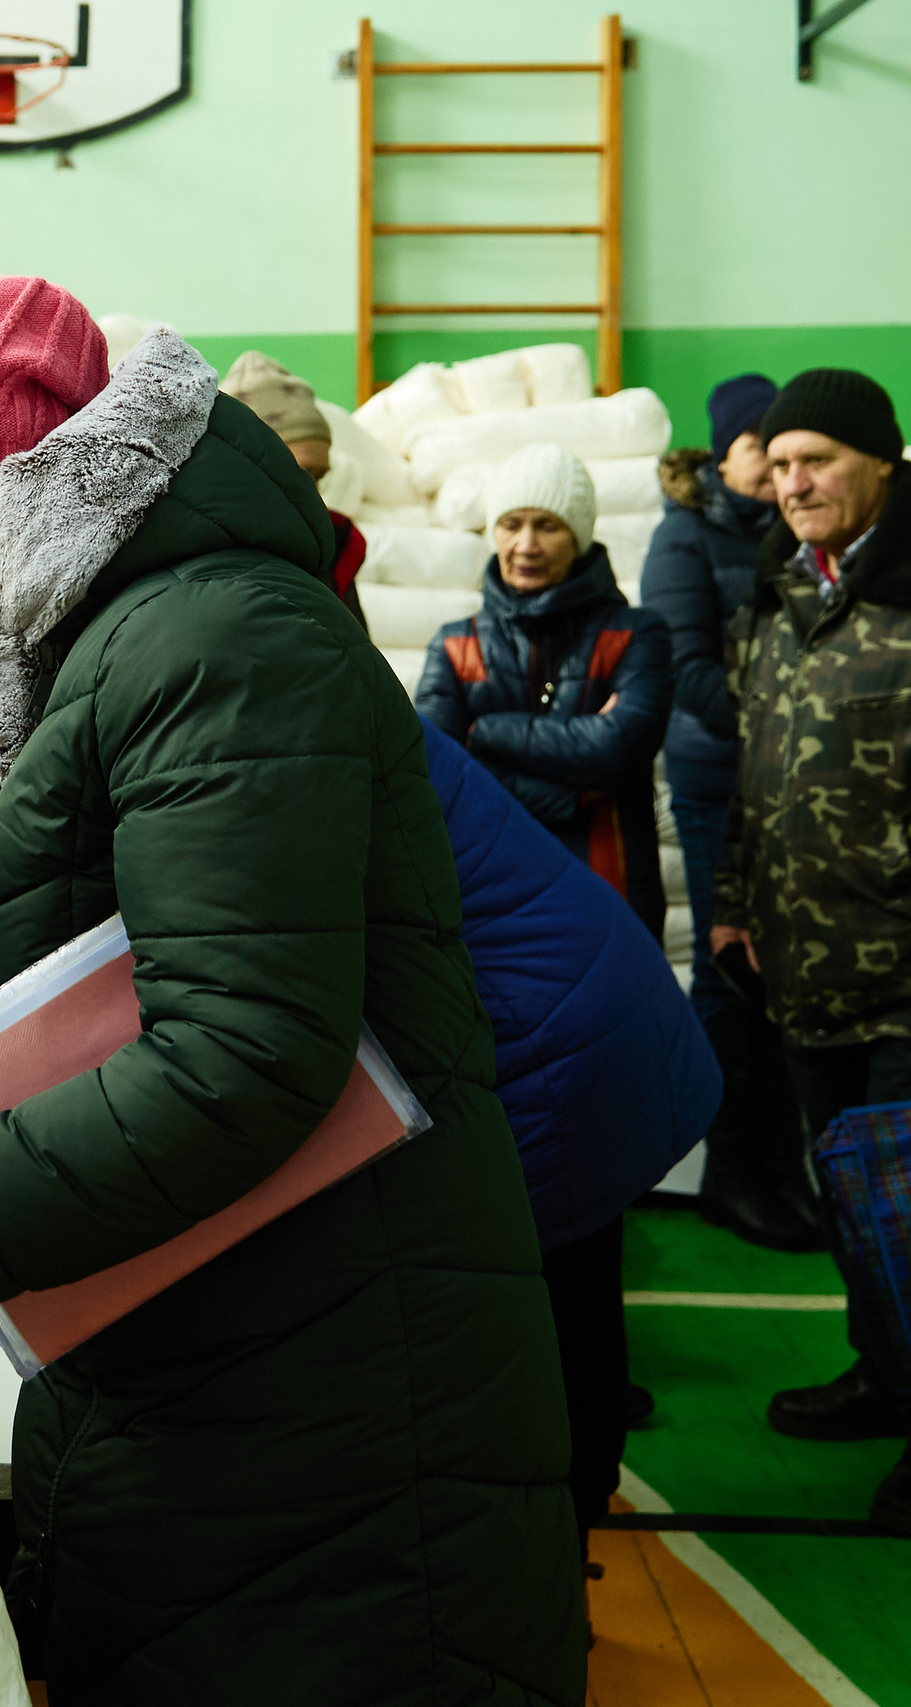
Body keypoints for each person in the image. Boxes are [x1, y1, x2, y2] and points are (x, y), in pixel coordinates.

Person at [0, 276, 583, 1705]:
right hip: (197, 1343)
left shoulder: (219, 641)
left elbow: (239, 1053)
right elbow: (15, 986)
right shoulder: (57, 658)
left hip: (329, 1384)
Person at [423, 717, 717, 1554]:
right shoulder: (335, 699)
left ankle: (559, 1536)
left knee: (545, 1307)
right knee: (572, 1292)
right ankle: (571, 1511)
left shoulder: (282, 736)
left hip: (555, 1041)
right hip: (583, 1002)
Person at [710, 368, 911, 1521]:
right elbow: (756, 767)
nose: (791, 484)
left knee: (908, 1217)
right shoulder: (781, 593)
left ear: (880, 461)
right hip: (801, 963)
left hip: (902, 974)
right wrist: (733, 898)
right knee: (850, 1205)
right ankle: (886, 1378)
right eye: (779, 464)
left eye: (816, 461)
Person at [643, 375, 815, 1250]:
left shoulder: (794, 535)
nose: (777, 467)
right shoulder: (684, 535)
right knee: (728, 973)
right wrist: (794, 723)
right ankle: (731, 1172)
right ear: (724, 452)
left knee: (785, 976)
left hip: (791, 784)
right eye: (759, 446)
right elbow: (688, 671)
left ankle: (782, 1168)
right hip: (719, 779)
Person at [416, 445, 673, 939]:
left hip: (609, 887)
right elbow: (436, 773)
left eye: (548, 526)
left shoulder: (636, 635)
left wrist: (486, 732)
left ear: (578, 536)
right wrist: (574, 792)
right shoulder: (456, 645)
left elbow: (619, 750)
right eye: (511, 524)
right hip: (489, 892)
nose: (526, 545)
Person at [219, 349, 366, 624]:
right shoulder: (207, 562)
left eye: (319, 477)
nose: (315, 497)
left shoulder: (335, 543)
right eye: (299, 476)